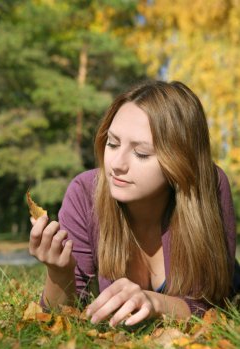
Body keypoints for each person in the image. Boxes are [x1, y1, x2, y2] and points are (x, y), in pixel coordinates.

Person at [29, 80, 236, 327]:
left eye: (141, 153)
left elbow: (212, 306)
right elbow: (63, 313)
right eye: (112, 143)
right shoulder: (85, 194)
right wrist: (58, 272)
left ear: (181, 160)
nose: (117, 164)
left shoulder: (208, 185)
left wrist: (155, 303)